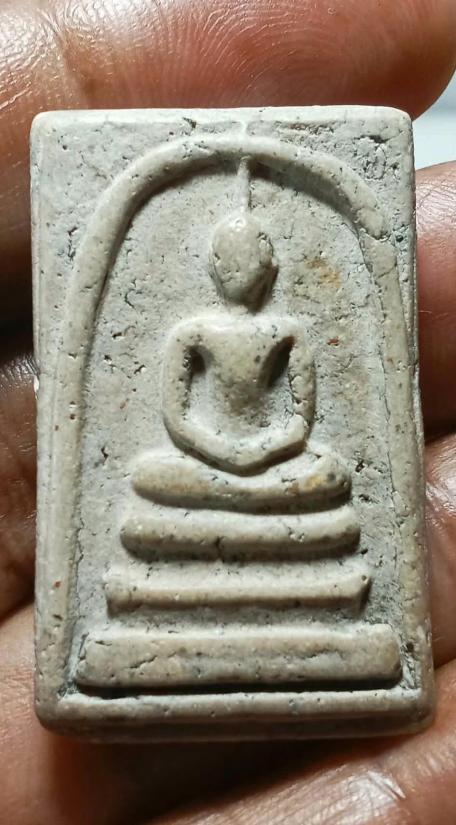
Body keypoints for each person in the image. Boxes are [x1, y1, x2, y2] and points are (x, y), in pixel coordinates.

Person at [0, 0, 455, 822]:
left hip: (278, 462)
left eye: (256, 259)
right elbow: (178, 416)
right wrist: (219, 452)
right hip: (201, 461)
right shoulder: (193, 331)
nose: (244, 272)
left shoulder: (286, 330)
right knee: (152, 479)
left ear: (269, 268)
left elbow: (303, 414)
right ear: (216, 267)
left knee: (327, 477)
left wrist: (268, 449)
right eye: (232, 260)